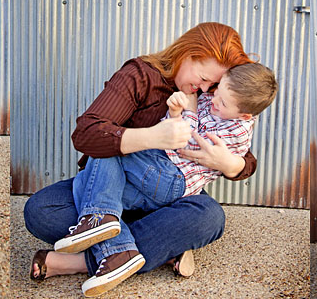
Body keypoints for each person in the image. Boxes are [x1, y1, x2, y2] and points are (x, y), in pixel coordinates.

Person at [24, 22, 257, 287]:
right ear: (187, 53)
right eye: (204, 79)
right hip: (115, 187)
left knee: (210, 217)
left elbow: (241, 148)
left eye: (213, 85)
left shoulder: (211, 95)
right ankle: (161, 245)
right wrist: (152, 137)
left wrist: (232, 164)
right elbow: (86, 134)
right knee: (40, 211)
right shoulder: (140, 75)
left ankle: (87, 259)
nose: (205, 90)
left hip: (169, 194)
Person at [54, 63, 277, 296]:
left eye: (222, 103)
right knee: (85, 183)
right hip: (156, 171)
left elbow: (186, 143)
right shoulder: (208, 98)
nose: (213, 100)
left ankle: (102, 230)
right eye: (217, 90)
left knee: (107, 152)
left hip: (172, 178)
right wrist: (174, 113)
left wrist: (188, 113)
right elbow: (172, 130)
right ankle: (118, 248)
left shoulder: (238, 130)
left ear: (245, 115)